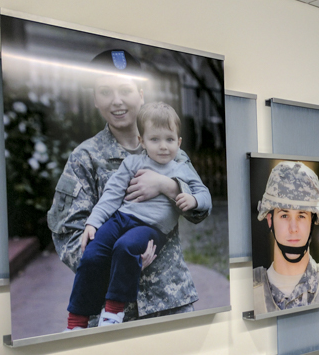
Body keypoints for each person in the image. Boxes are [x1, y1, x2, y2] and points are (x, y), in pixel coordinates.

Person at [48, 49, 206, 327]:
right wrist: (119, 264)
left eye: (125, 90)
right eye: (105, 91)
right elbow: (69, 236)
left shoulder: (169, 149)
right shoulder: (85, 157)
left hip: (169, 300)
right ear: (95, 100)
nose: (117, 101)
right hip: (110, 314)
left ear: (141, 94)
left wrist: (168, 186)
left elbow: (198, 212)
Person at [253, 161, 319, 315]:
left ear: (313, 221)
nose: (293, 228)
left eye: (301, 215)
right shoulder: (251, 289)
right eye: (284, 215)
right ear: (270, 220)